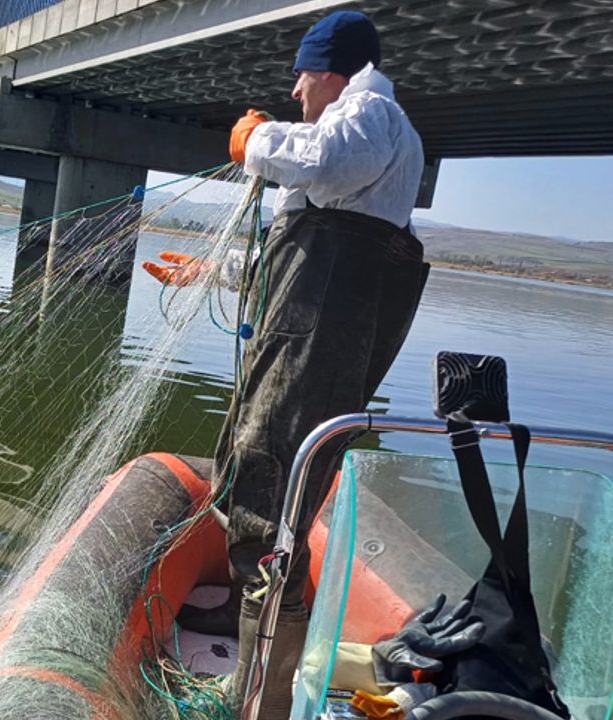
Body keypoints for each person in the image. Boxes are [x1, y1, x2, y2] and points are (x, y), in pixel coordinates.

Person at [144, 10, 430, 719]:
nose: (296, 90)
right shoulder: (354, 154)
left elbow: (325, 161)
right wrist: (208, 272)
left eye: (303, 76)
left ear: (333, 72)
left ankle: (261, 694)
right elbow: (293, 266)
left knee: (274, 489)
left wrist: (257, 139)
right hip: (296, 338)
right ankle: (244, 618)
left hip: (315, 351)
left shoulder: (372, 116)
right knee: (254, 469)